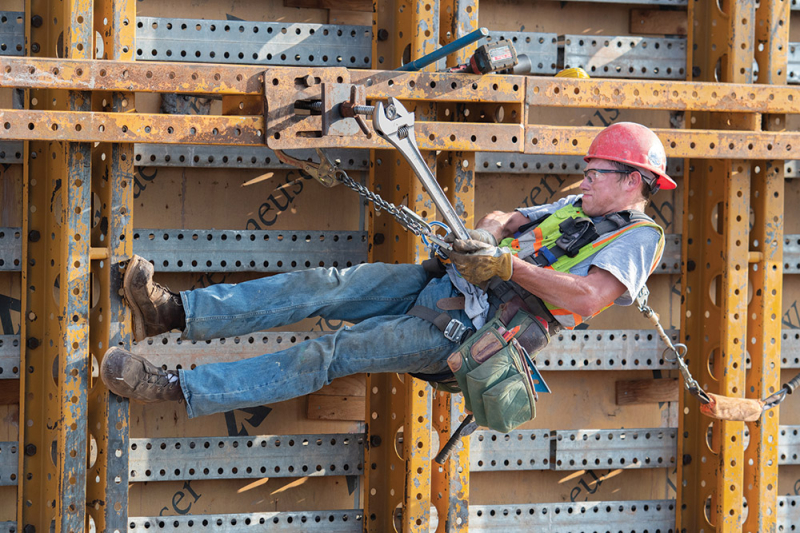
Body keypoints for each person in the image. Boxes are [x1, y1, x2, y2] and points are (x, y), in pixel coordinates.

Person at [101, 122, 677, 419]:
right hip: (443, 284)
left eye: (597, 170)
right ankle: (171, 313)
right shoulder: (579, 204)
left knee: (332, 352)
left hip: (469, 333)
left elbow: (586, 296)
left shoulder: (636, 238)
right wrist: (490, 234)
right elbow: (509, 215)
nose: (586, 176)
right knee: (327, 286)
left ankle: (173, 385)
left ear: (633, 180)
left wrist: (506, 265)